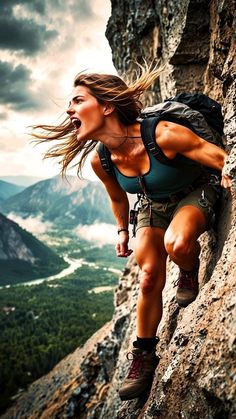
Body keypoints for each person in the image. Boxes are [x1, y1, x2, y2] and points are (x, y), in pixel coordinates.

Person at [33, 65, 232, 401]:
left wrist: (228, 174)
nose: (69, 109)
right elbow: (117, 197)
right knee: (149, 274)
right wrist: (123, 230)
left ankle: (187, 269)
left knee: (177, 243)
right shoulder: (102, 160)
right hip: (152, 206)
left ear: (107, 106)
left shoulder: (163, 134)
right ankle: (143, 356)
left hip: (195, 191)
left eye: (77, 101)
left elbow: (219, 159)